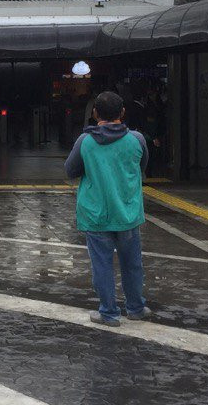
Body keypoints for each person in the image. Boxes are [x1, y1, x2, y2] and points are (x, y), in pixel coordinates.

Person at [64, 91, 150, 326]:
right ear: (122, 113)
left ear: (95, 114)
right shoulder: (137, 139)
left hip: (96, 213)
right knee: (132, 263)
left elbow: (70, 171)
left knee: (101, 264)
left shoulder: (85, 141)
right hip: (128, 212)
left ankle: (109, 312)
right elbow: (142, 166)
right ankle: (135, 307)